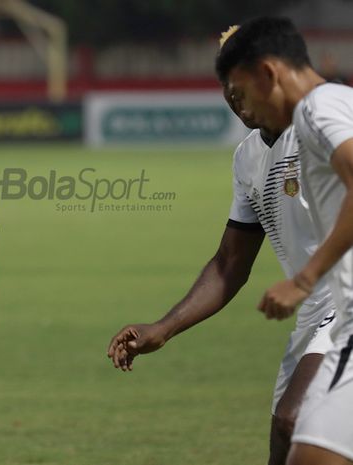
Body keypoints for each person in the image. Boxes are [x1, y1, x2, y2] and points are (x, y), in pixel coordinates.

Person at [106, 26, 337, 465]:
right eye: (227, 87)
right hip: (313, 315)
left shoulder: (325, 125)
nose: (234, 98)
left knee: (297, 421)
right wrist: (164, 328)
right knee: (285, 446)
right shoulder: (248, 158)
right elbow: (231, 262)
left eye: (242, 84)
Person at [216, 16, 353, 465]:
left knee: (300, 432)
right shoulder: (322, 111)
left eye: (241, 90)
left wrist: (305, 278)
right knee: (299, 443)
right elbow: (229, 261)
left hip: (338, 307)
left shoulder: (317, 109)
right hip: (334, 313)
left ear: (268, 74)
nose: (240, 107)